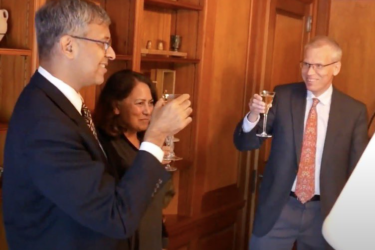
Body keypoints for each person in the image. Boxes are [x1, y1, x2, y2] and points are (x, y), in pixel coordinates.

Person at [2, 1, 192, 250]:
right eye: (104, 43)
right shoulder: (45, 122)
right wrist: (155, 136)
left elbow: (101, 190)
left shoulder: (61, 104)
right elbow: (114, 216)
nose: (111, 54)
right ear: (68, 46)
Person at [233, 36, 368, 250]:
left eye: (318, 66)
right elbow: (246, 143)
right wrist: (253, 116)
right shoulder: (283, 96)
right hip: (280, 207)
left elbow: (358, 170)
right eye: (306, 64)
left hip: (325, 213)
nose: (309, 72)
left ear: (336, 67)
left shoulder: (354, 111)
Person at [93, 69, 174, 250]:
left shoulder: (149, 141)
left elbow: (161, 200)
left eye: (151, 103)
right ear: (116, 106)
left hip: (151, 236)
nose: (147, 111)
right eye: (139, 103)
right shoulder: (104, 144)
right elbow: (114, 202)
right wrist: (149, 167)